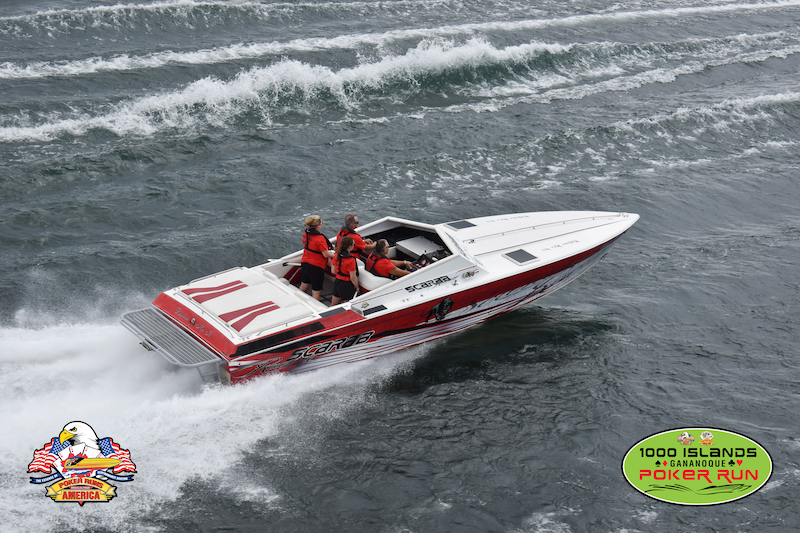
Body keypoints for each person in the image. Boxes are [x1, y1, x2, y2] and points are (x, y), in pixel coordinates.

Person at [299, 215, 334, 301]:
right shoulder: (320, 238)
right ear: (318, 225)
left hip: (305, 263)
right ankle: (316, 307)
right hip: (316, 267)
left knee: (304, 285)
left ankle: (297, 300)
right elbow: (326, 254)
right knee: (316, 291)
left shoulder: (305, 233)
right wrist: (333, 255)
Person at [330, 236, 359, 306]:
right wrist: (357, 287)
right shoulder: (351, 259)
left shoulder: (336, 255)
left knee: (333, 304)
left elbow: (333, 271)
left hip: (337, 282)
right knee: (347, 305)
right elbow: (353, 277)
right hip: (346, 285)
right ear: (350, 246)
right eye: (354, 244)